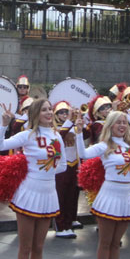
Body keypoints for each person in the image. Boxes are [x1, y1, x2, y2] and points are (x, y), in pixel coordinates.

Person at [0, 98, 64, 259]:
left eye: (50, 109)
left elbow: (60, 167)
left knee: (39, 247)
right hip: (29, 193)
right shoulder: (28, 135)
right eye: (44, 110)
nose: (49, 113)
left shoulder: (56, 135)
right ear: (35, 114)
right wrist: (4, 124)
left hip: (48, 193)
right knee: (25, 247)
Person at [75, 110, 130, 259]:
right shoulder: (105, 146)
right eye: (118, 122)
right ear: (110, 126)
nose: (122, 125)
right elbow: (84, 154)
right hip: (109, 196)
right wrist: (79, 132)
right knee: (105, 243)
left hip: (126, 197)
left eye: (124, 123)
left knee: (116, 244)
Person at [52, 101, 80, 238]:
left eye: (66, 112)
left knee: (71, 195)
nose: (64, 114)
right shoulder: (53, 127)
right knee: (60, 196)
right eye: (61, 112)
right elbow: (59, 137)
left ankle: (69, 223)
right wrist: (69, 122)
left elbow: (86, 133)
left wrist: (79, 119)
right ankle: (60, 225)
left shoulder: (72, 126)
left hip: (74, 165)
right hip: (61, 166)